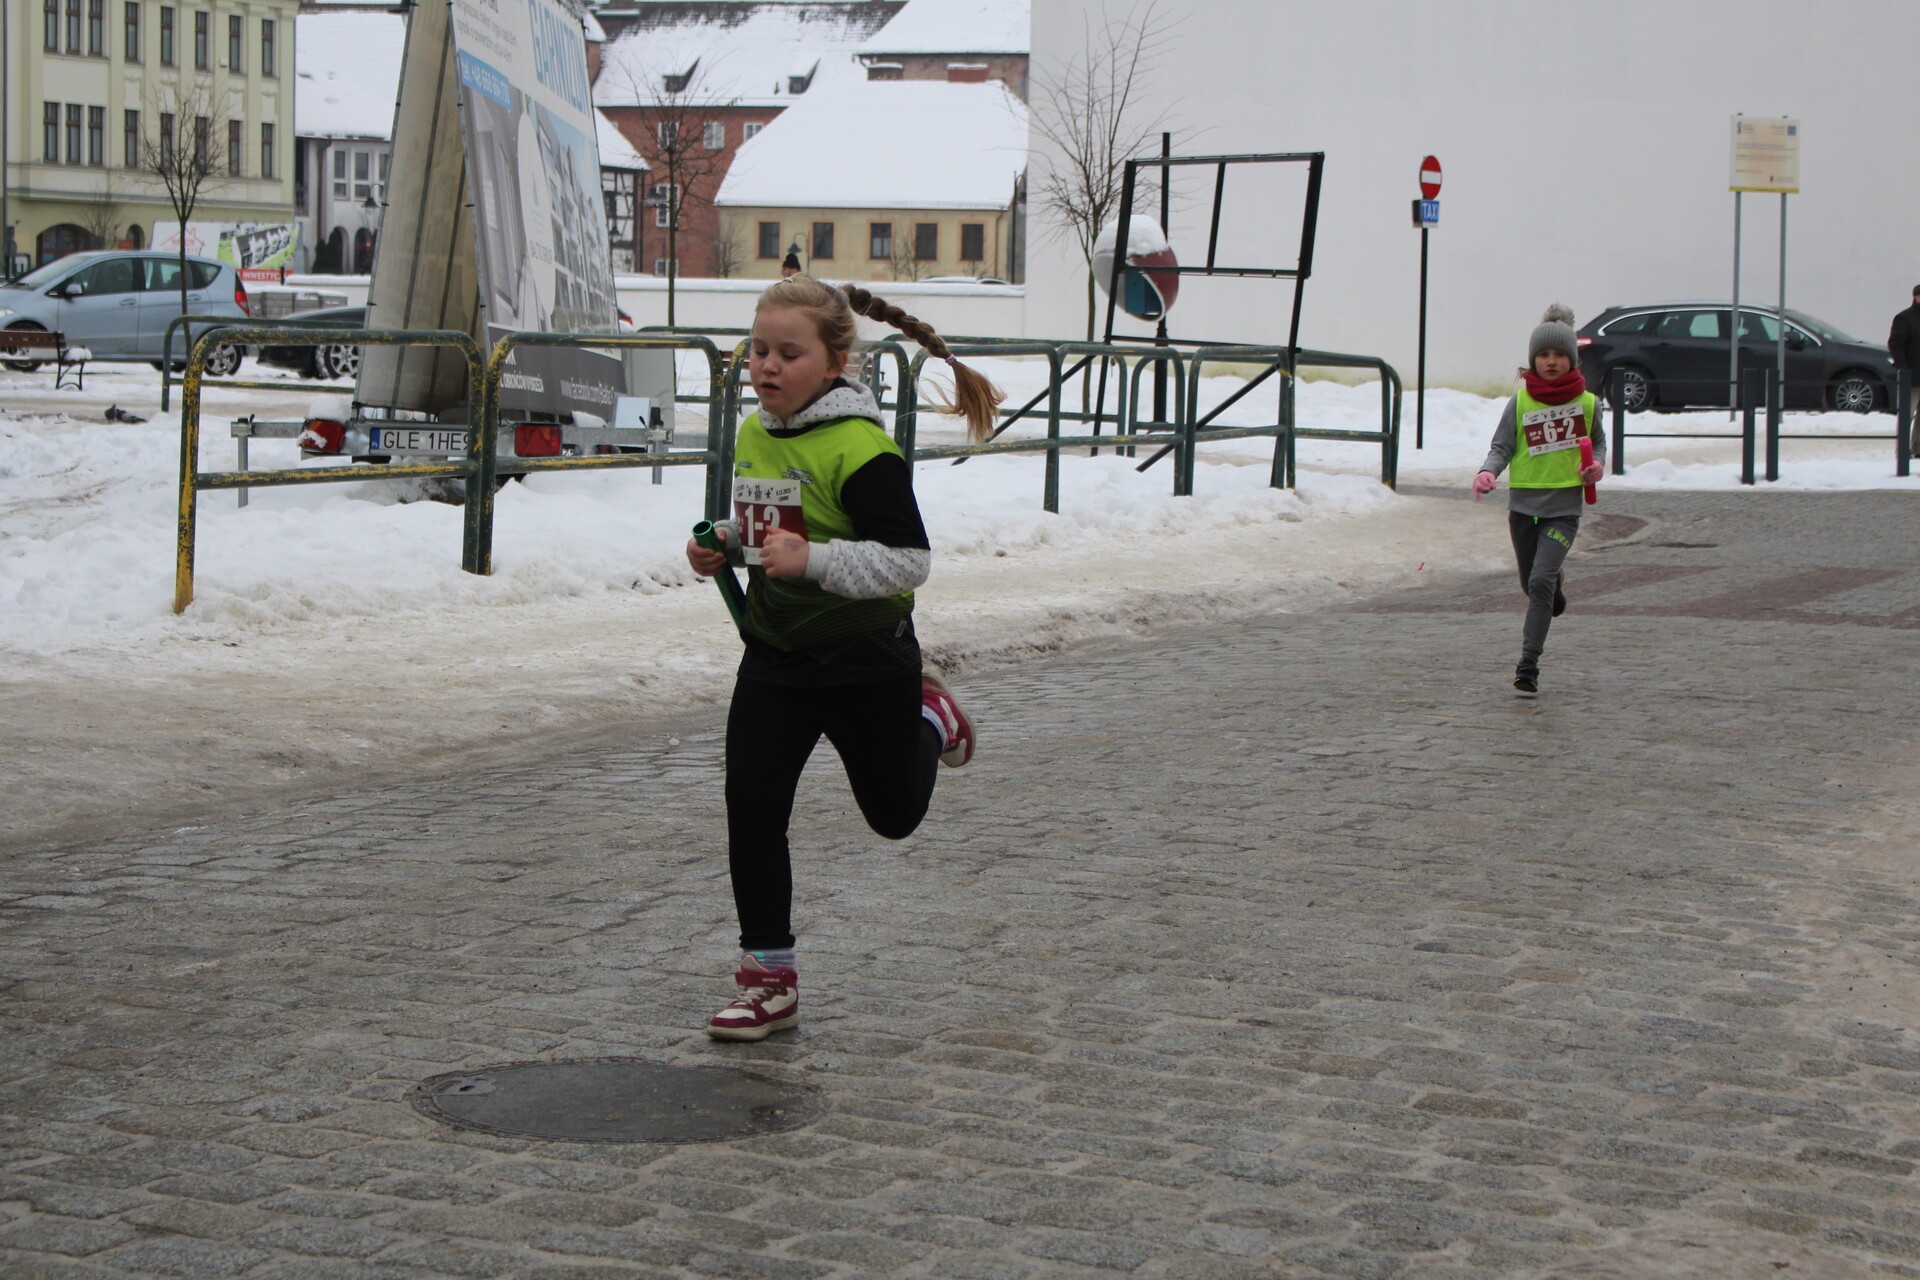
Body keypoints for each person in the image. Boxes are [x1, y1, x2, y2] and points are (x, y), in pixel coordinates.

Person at [684, 275, 1003, 1040]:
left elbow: (908, 562)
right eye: (758, 349)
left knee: (893, 817)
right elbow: (771, 529)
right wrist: (726, 544)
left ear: (834, 364)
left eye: (788, 353)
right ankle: (769, 980)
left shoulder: (864, 450)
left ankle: (931, 716)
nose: (767, 365)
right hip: (777, 658)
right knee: (752, 808)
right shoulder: (757, 432)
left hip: (867, 662)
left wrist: (814, 562)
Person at [1471, 304, 1607, 698]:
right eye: (1544, 355)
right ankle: (1552, 588)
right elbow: (1502, 446)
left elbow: (1598, 443)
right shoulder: (1521, 403)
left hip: (1563, 511)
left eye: (1559, 355)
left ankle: (1528, 665)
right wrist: (1488, 472)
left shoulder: (1587, 404)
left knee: (1540, 579)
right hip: (1523, 510)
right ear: (1533, 360)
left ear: (1572, 360)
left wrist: (1595, 466)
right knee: (1532, 585)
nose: (1551, 362)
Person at [1890, 284, 1920, 453]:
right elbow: (1896, 344)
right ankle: (1902, 450)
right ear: (1915, 297)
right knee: (1907, 415)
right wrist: (1903, 369)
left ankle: (1918, 448)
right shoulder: (1904, 318)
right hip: (1911, 376)